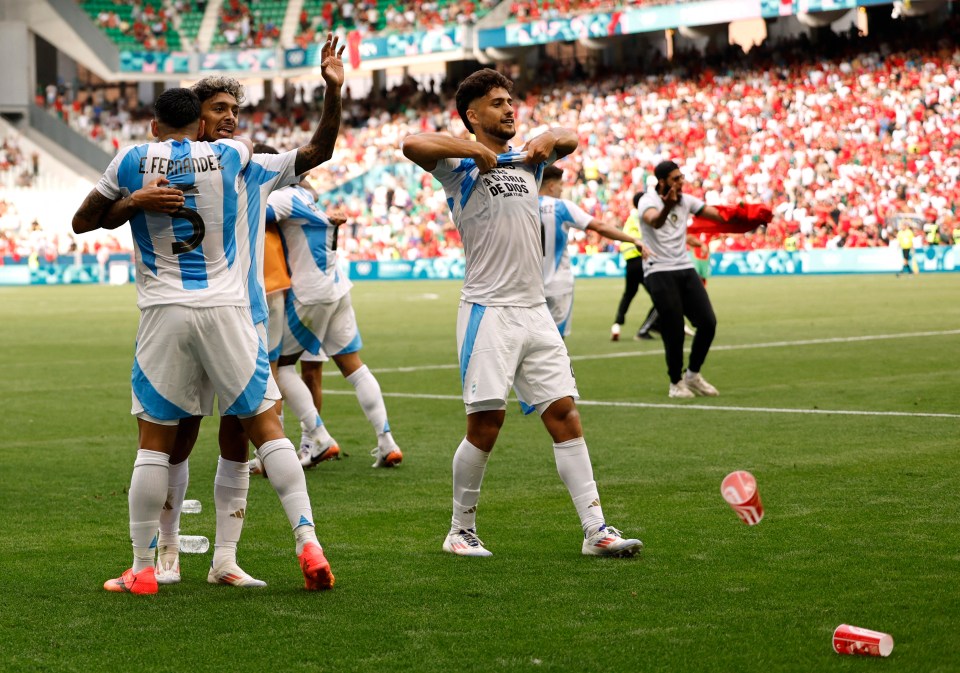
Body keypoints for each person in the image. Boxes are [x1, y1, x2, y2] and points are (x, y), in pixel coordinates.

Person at [71, 87, 335, 595]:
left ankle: (147, 566)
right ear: (197, 122)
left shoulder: (131, 159)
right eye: (220, 111)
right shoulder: (235, 156)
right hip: (227, 310)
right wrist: (333, 89)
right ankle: (306, 539)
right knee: (262, 426)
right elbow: (313, 153)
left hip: (167, 312)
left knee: (158, 440)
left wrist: (133, 201)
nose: (231, 120)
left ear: (154, 125)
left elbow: (84, 221)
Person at [402, 68, 642, 558]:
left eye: (511, 100)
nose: (510, 108)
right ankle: (459, 530)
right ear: (473, 116)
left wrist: (546, 138)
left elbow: (568, 139)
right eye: (497, 103)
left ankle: (596, 530)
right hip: (488, 311)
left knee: (564, 414)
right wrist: (472, 149)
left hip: (536, 312)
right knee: (486, 424)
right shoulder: (459, 167)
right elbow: (412, 143)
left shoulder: (529, 161)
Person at [269, 172, 402, 468]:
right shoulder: (304, 194)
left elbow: (247, 213)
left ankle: (317, 436)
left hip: (309, 292)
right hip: (337, 287)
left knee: (280, 368)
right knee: (354, 366)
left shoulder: (280, 196)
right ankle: (386, 441)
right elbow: (310, 191)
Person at [637, 160, 728, 399]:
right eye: (676, 178)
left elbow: (715, 214)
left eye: (681, 177)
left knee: (708, 323)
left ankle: (692, 375)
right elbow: (655, 221)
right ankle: (675, 382)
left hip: (684, 268)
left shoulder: (686, 200)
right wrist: (667, 207)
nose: (681, 182)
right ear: (662, 181)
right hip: (658, 270)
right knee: (674, 329)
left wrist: (746, 217)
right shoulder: (648, 201)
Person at [538, 165, 645, 338]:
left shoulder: (524, 206)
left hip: (531, 288)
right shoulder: (561, 207)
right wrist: (633, 240)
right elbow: (600, 226)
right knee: (556, 342)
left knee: (534, 342)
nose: (561, 189)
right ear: (551, 186)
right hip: (559, 285)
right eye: (560, 185)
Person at [612, 191, 659, 341]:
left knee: (629, 293)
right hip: (641, 259)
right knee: (661, 296)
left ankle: (617, 323)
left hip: (630, 261)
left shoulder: (630, 218)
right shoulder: (642, 216)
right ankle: (648, 328)